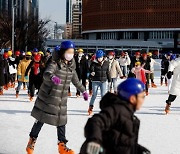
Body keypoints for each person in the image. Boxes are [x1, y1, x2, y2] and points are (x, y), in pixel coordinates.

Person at [26, 41, 89, 154]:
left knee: (61, 121)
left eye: (72, 52)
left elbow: (76, 82)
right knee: (40, 119)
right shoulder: (54, 63)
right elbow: (46, 74)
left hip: (61, 99)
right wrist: (52, 77)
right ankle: (31, 141)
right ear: (63, 52)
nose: (70, 54)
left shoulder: (71, 68)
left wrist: (83, 91)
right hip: (48, 97)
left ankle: (62, 145)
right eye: (68, 52)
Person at [80, 78, 150, 154]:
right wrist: (94, 140)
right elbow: (95, 121)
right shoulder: (117, 110)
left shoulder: (130, 117)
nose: (143, 100)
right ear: (132, 98)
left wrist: (138, 149)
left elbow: (122, 142)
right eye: (142, 97)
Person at [88, 50, 110, 115]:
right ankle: (90, 107)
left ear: (103, 57)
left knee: (103, 95)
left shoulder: (106, 63)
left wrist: (109, 80)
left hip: (103, 81)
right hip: (95, 81)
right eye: (98, 57)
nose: (99, 59)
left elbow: (107, 72)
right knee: (94, 95)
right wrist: (91, 73)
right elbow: (91, 69)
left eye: (100, 57)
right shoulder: (93, 63)